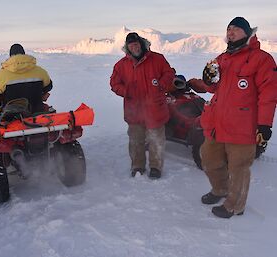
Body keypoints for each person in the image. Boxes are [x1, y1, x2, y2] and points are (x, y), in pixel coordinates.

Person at [188, 17, 277, 218]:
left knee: (239, 168)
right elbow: (212, 87)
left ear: (248, 33)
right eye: (228, 29)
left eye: (236, 29)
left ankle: (235, 205)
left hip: (242, 125)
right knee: (209, 160)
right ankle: (220, 189)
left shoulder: (262, 59)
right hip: (217, 122)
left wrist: (264, 125)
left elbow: (269, 94)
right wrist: (206, 80)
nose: (231, 32)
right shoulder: (222, 58)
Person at [110, 32, 175, 178]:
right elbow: (114, 84)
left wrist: (161, 85)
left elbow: (169, 73)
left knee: (156, 140)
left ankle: (155, 167)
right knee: (135, 141)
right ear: (127, 47)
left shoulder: (157, 59)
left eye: (137, 43)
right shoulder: (121, 65)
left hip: (155, 109)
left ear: (142, 43)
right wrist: (126, 91)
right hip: (134, 110)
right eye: (131, 44)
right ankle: (137, 166)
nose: (135, 46)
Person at [0, 43, 53, 113]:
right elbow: (48, 87)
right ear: (24, 55)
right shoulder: (40, 71)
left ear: (11, 56)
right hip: (37, 114)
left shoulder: (3, 74)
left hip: (11, 118)